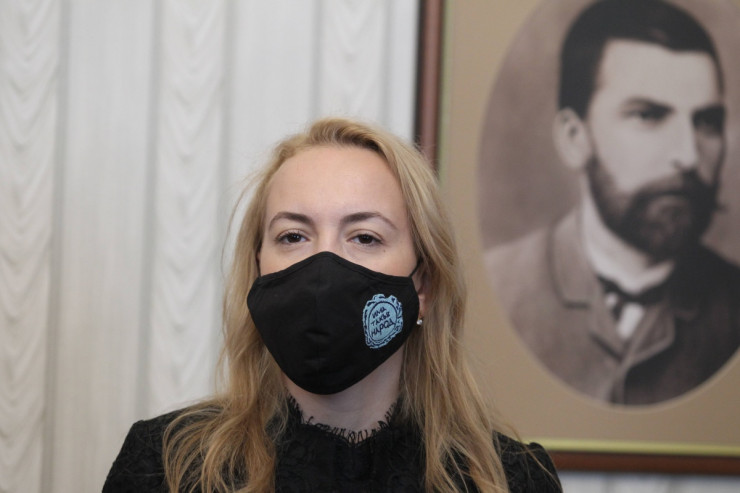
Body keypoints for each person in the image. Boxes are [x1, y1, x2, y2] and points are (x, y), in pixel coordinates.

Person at [103, 118, 561, 492]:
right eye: (293, 236)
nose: (323, 269)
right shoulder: (166, 466)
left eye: (365, 237)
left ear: (422, 285)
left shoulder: (511, 480)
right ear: (258, 269)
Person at [485, 0, 740, 406]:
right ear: (574, 138)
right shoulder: (496, 289)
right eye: (648, 116)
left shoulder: (732, 304)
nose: (689, 155)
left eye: (706, 122)